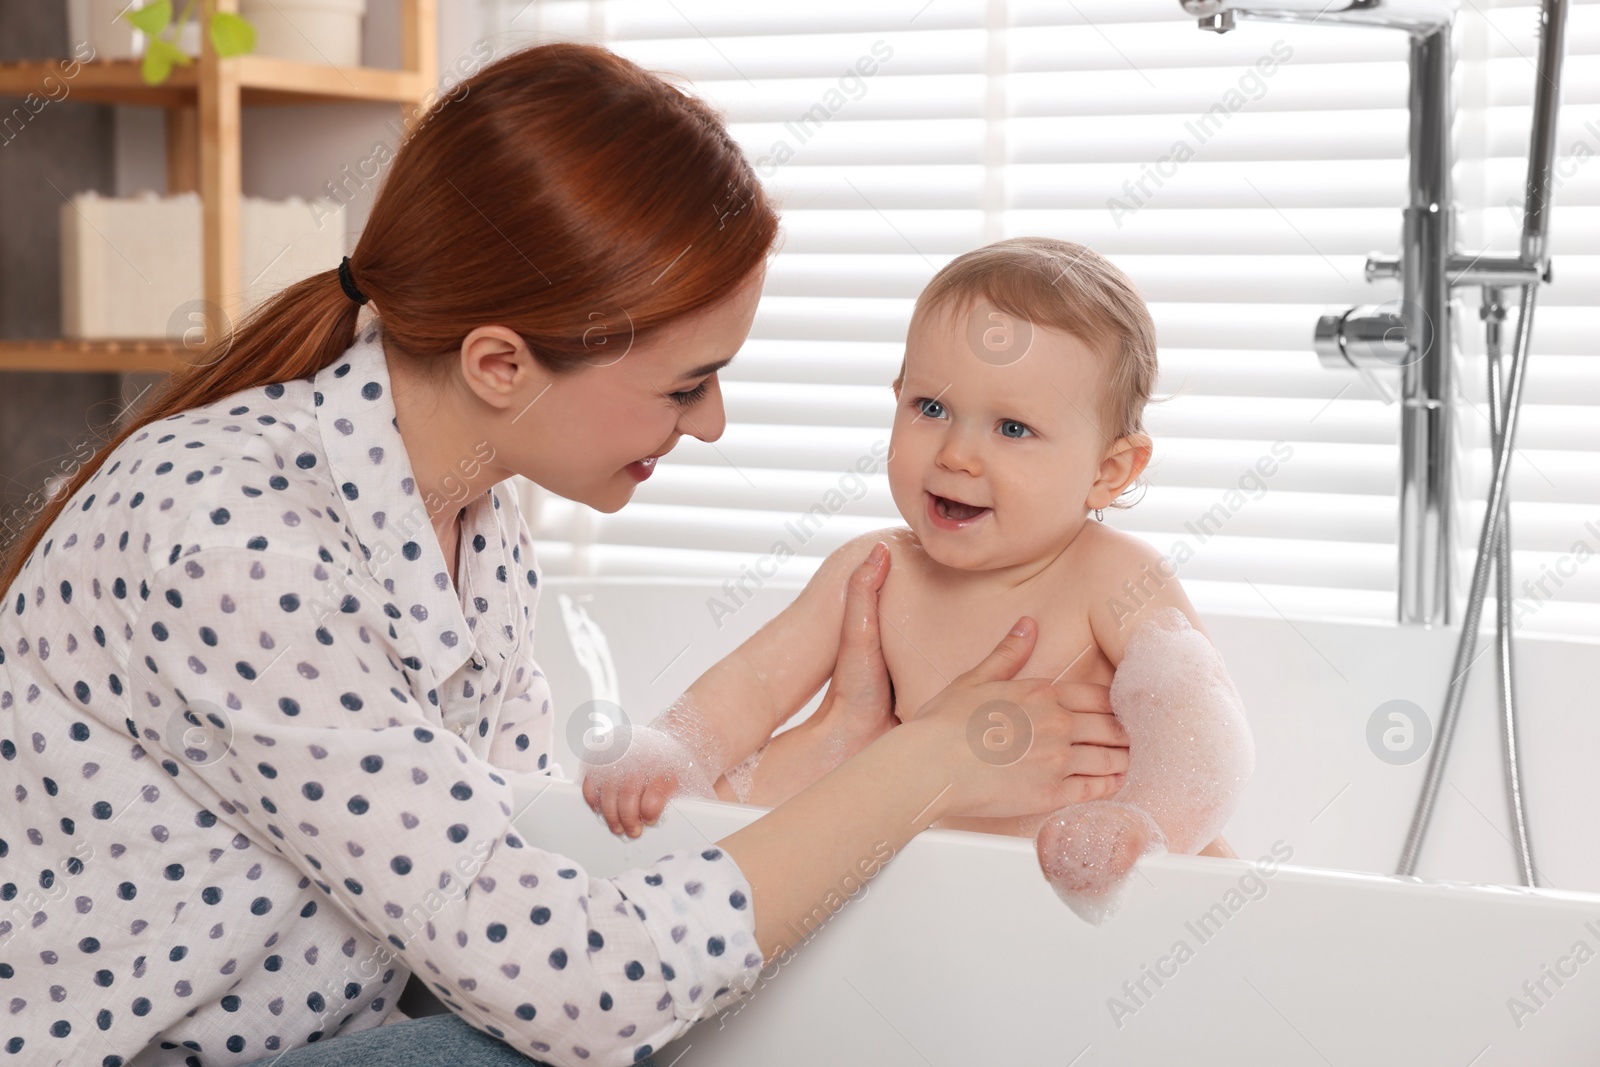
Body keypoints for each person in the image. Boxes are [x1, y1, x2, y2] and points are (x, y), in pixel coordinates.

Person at [0, 44, 1131, 1067]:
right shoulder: (231, 532)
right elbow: (576, 983)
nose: (712, 422)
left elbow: (513, 856)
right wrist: (927, 762)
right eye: (687, 383)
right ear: (502, 365)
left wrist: (835, 747)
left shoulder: (463, 514)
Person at [585, 237, 1241, 859]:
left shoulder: (1112, 576)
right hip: (939, 904)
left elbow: (1201, 736)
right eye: (931, 408)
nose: (956, 454)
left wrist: (1146, 825)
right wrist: (672, 748)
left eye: (1013, 427)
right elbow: (754, 685)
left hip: (1111, 897)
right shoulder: (876, 571)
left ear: (1110, 470)